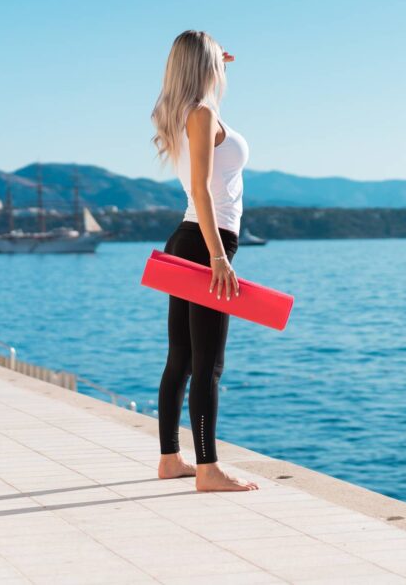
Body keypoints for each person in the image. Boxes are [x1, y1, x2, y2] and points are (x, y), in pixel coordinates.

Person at [149, 30, 258, 492]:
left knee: (182, 359)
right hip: (204, 242)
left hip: (188, 238)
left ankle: (171, 460)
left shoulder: (188, 111)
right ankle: (208, 469)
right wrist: (218, 255)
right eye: (217, 61)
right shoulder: (204, 113)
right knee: (208, 363)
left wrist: (216, 61)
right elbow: (201, 189)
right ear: (204, 66)